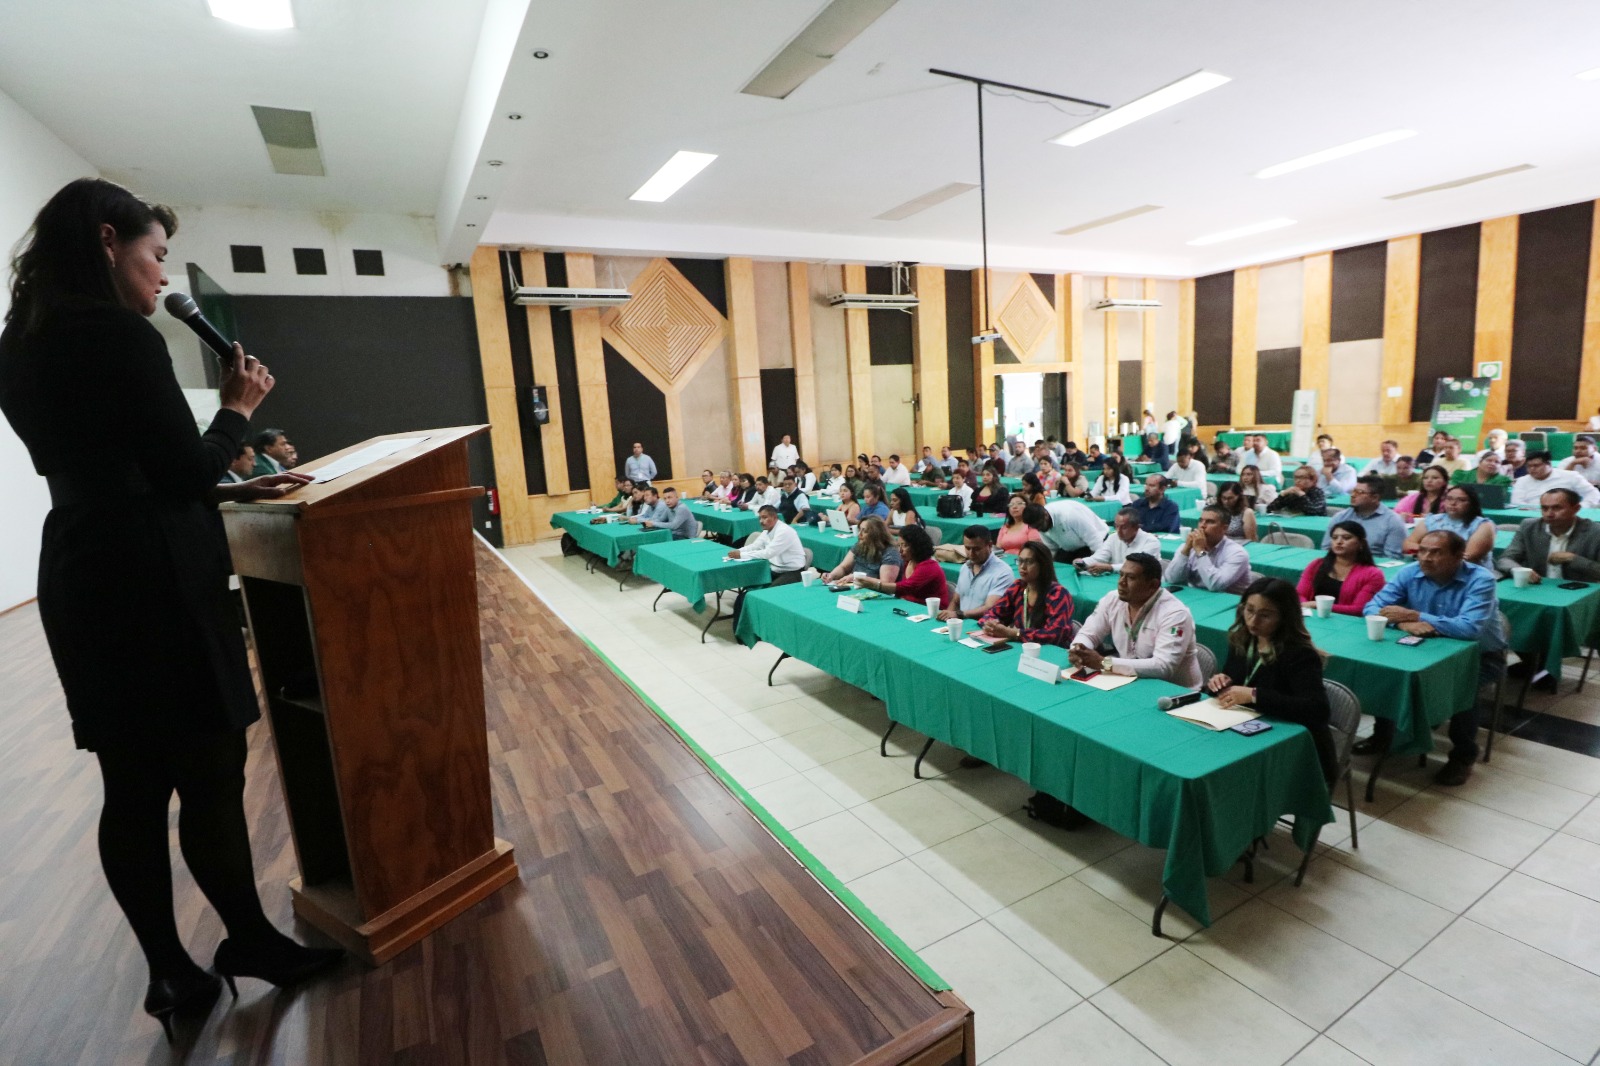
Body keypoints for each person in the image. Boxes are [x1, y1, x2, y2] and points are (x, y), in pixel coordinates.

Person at [0, 178, 341, 1035]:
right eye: (155, 255)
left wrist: (228, 476)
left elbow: (114, 467)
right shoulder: (121, 335)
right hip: (154, 580)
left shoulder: (19, 341)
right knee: (211, 775)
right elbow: (182, 471)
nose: (162, 275)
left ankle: (169, 974)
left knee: (131, 786)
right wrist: (236, 412)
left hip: (82, 570)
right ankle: (251, 941)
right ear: (107, 241)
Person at [1360, 530, 1506, 783]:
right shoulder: (1409, 572)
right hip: (1424, 647)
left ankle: (1463, 755)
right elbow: (1372, 608)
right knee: (1386, 674)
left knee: (1461, 690)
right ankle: (1383, 735)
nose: (1426, 558)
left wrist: (1415, 615)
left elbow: (1469, 629)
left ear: (1459, 556)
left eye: (1436, 552)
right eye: (1422, 551)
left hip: (1481, 656)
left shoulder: (1480, 579)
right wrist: (1402, 624)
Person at [1206, 578, 1337, 785]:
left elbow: (1317, 710)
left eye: (1265, 615)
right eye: (1249, 610)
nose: (1253, 621)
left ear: (1284, 617)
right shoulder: (1242, 639)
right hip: (1248, 732)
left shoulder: (1299, 654)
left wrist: (1254, 695)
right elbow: (1236, 682)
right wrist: (1219, 683)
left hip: (1296, 749)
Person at [1069, 553, 1203, 686]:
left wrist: (1104, 663)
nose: (1121, 582)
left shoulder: (1175, 614)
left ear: (1153, 585)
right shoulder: (1112, 599)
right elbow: (1088, 634)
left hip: (1174, 691)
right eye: (1121, 575)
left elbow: (1163, 666)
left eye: (1131, 577)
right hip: (1128, 679)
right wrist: (1079, 649)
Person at [980, 542, 1076, 647]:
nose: (1022, 566)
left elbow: (1055, 634)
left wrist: (1015, 633)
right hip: (1023, 648)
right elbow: (992, 613)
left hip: (1052, 651)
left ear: (1043, 565)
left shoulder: (1058, 594)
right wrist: (991, 625)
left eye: (1029, 562)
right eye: (1020, 561)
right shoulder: (1018, 587)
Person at [1498, 488, 1600, 584]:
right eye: (1544, 508)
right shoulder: (1529, 527)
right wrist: (1518, 570)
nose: (1549, 514)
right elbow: (1505, 559)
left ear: (1576, 509)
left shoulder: (1595, 532)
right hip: (1538, 587)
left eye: (1557, 508)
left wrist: (1573, 559)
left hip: (1581, 590)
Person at [1299, 521, 1386, 615]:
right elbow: (1299, 594)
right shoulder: (1316, 564)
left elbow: (1359, 609)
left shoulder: (1373, 574)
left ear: (1361, 543)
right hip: (1312, 615)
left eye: (1346, 538)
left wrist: (1317, 605)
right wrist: (1306, 606)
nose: (1339, 542)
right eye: (1334, 538)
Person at [854, 524, 951, 608]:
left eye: (904, 545)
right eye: (899, 545)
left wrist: (874, 584)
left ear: (916, 546)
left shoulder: (929, 566)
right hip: (909, 606)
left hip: (929, 611)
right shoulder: (908, 561)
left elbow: (906, 588)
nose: (900, 550)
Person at [1164, 506, 1253, 593]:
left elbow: (1215, 585)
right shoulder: (1188, 546)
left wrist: (1200, 551)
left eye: (1210, 522)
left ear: (1224, 528)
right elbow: (1171, 579)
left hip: (1229, 600)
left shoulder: (1237, 553)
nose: (1202, 525)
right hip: (1196, 596)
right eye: (1201, 521)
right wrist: (1185, 550)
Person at [1406, 484, 1497, 567]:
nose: (1453, 503)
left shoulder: (1483, 525)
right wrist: (1430, 551)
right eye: (1449, 499)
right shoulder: (1432, 520)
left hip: (1468, 573)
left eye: (1461, 500)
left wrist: (1426, 552)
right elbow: (1407, 545)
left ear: (1472, 503)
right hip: (1429, 568)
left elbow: (1468, 558)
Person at [940, 526, 1016, 621]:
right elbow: (956, 601)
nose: (971, 554)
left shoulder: (1003, 573)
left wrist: (960, 614)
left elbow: (990, 608)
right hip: (962, 622)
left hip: (985, 625)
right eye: (967, 548)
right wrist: (947, 617)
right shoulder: (965, 568)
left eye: (976, 549)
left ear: (990, 545)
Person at [1323, 476, 1407, 559]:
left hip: (1372, 565)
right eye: (1353, 491)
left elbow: (1392, 558)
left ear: (1375, 497)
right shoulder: (1340, 517)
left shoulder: (1393, 521)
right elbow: (1326, 548)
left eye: (1359, 492)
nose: (1353, 495)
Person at [823, 516, 901, 586]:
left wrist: (857, 578)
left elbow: (886, 583)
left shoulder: (890, 552)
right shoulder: (860, 545)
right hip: (856, 585)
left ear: (876, 534)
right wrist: (831, 575)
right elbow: (844, 567)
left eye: (864, 531)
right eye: (859, 530)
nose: (859, 534)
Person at [1081, 507, 1160, 573]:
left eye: (1124, 527)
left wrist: (1110, 567)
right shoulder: (1113, 538)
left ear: (1136, 527)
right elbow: (1100, 557)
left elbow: (1137, 566)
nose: (1118, 531)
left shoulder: (1151, 542)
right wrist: (1082, 562)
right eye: (1116, 526)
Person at [1512, 451, 1600, 509]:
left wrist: (1581, 506)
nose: (1532, 469)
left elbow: (1593, 493)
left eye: (1536, 466)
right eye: (1529, 466)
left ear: (1549, 464)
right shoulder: (1522, 481)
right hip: (1532, 515)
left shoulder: (1570, 476)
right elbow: (1516, 502)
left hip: (1565, 515)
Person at [1038, 496, 1111, 563]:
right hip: (1071, 549)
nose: (1039, 529)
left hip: (1096, 542)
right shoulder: (1039, 524)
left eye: (1040, 525)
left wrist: (1095, 561)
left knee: (1086, 567)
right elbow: (1051, 549)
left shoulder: (1069, 515)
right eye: (1036, 527)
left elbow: (1094, 539)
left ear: (1046, 516)